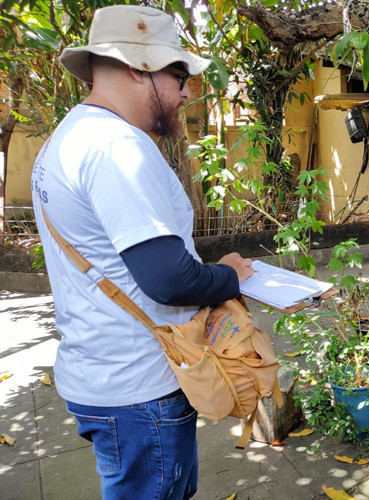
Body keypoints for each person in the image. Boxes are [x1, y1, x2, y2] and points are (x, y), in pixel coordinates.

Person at [30, 6, 254, 499]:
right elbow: (169, 278)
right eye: (179, 76)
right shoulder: (116, 148)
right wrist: (229, 275)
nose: (185, 92)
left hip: (101, 374)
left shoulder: (68, 135)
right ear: (139, 67)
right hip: (137, 390)